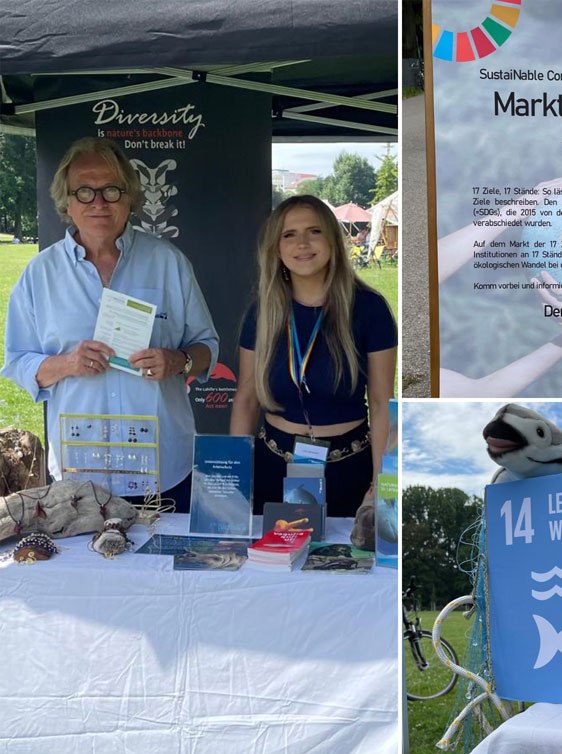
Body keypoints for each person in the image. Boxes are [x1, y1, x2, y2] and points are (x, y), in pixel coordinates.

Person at [2, 137, 219, 511]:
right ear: (67, 202)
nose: (98, 202)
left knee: (168, 571)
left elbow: (207, 347)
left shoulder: (168, 263)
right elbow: (17, 361)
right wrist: (67, 364)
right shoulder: (41, 273)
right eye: (84, 191)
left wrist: (178, 361)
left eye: (111, 190)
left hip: (163, 469)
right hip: (81, 474)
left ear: (130, 197)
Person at [230, 195, 396, 517]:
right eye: (289, 234)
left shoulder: (369, 309)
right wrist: (237, 479)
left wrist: (381, 484)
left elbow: (381, 404)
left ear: (332, 239)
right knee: (272, 564)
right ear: (276, 249)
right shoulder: (261, 312)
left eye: (314, 231)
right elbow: (247, 398)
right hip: (273, 470)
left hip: (351, 472)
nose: (302, 244)